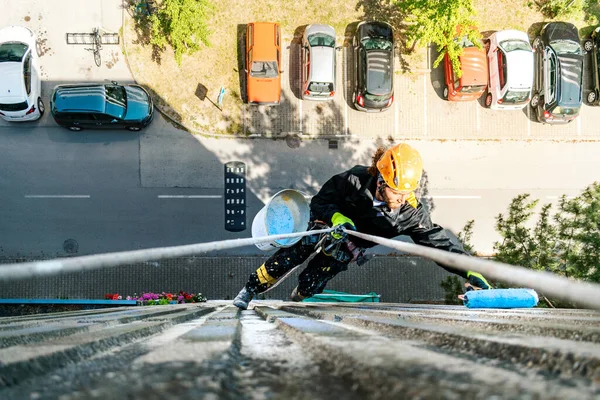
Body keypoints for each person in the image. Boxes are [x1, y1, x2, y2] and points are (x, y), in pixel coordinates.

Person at [233, 143, 491, 309]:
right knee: (288, 257)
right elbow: (322, 200)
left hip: (348, 246)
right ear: (380, 181)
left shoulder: (410, 214)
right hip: (324, 226)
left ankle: (301, 293)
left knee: (314, 280)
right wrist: (335, 217)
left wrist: (469, 269)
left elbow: (438, 244)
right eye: (397, 192)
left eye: (408, 192)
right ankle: (251, 289)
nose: (403, 199)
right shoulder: (355, 180)